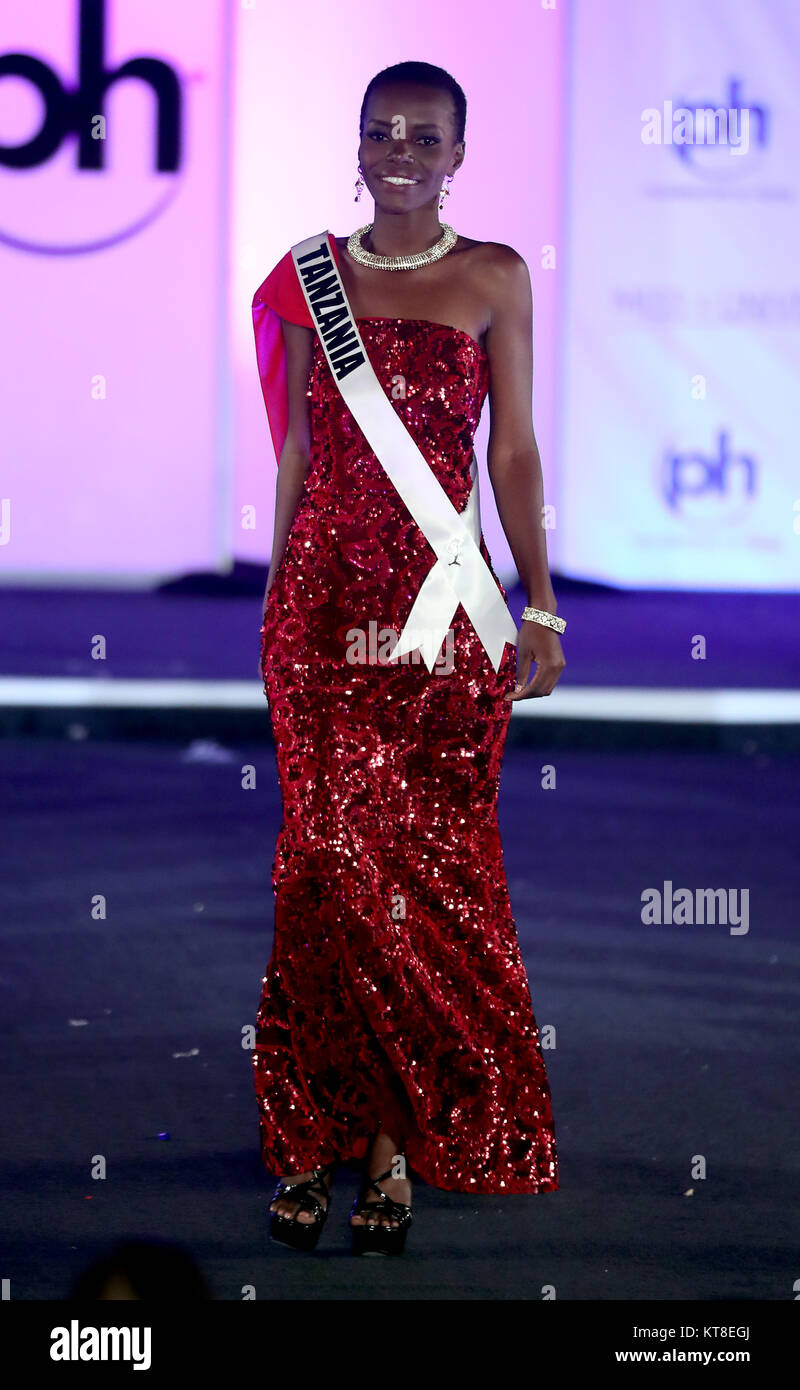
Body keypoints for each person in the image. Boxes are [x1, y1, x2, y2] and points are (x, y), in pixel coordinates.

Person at [251, 60, 565, 1256]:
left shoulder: (493, 277)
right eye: (381, 130)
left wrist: (540, 604)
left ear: (456, 153)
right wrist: (276, 593)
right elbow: (293, 459)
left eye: (423, 136)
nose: (399, 150)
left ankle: (386, 1144)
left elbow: (515, 454)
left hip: (438, 618)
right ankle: (310, 1125)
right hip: (324, 615)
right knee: (323, 867)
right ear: (358, 141)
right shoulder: (306, 281)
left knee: (425, 874)